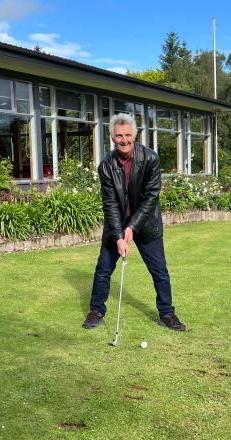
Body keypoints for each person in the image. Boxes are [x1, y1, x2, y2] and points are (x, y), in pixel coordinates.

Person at [82, 113, 186, 331]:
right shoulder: (106, 165)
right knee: (103, 269)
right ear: (112, 137)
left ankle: (167, 313)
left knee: (159, 270)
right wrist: (119, 235)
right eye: (119, 136)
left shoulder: (150, 159)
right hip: (116, 223)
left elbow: (151, 198)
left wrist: (132, 227)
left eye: (127, 135)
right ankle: (96, 310)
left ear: (135, 135)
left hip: (147, 223)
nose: (124, 140)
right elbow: (110, 203)